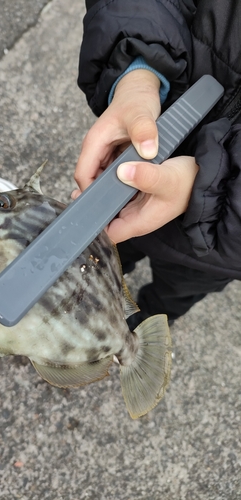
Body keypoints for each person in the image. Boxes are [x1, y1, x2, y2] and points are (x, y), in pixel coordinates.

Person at [73, 0, 241, 326]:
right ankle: (89, 303)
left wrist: (212, 190)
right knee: (104, 255)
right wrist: (138, 70)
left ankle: (141, 329)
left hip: (216, 247)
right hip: (128, 185)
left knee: (171, 296)